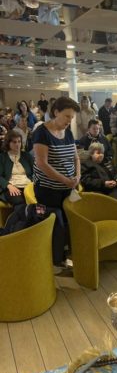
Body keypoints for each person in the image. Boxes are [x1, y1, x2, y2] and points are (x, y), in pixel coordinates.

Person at [32, 96, 81, 266]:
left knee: (68, 221)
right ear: (56, 112)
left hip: (67, 187)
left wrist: (77, 176)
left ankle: (66, 253)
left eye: (72, 117)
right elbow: (42, 164)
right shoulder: (41, 133)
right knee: (55, 223)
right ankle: (55, 260)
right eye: (67, 116)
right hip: (47, 189)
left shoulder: (68, 132)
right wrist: (65, 180)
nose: (69, 120)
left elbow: (76, 158)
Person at [0, 131, 33, 206]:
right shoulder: (2, 157)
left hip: (28, 185)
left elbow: (36, 172)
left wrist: (32, 183)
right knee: (20, 203)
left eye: (19, 141)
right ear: (8, 143)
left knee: (38, 201)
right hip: (12, 186)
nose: (17, 144)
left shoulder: (27, 156)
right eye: (14, 142)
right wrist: (9, 186)